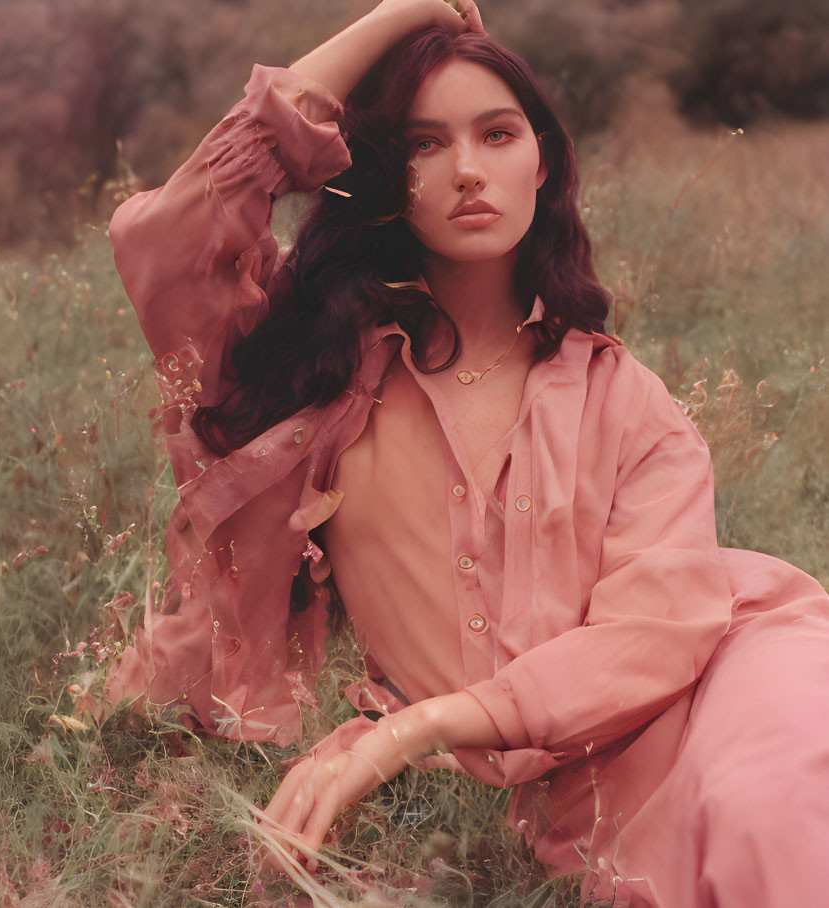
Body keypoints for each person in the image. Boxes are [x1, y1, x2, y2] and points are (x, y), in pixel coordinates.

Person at [104, 0, 829, 904]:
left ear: (543, 164)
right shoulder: (319, 379)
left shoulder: (628, 403)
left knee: (776, 815)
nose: (467, 171)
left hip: (728, 688)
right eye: (421, 145)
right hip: (567, 803)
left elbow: (654, 635)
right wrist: (396, 15)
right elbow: (160, 242)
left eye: (496, 134)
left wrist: (414, 731)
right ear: (381, 176)